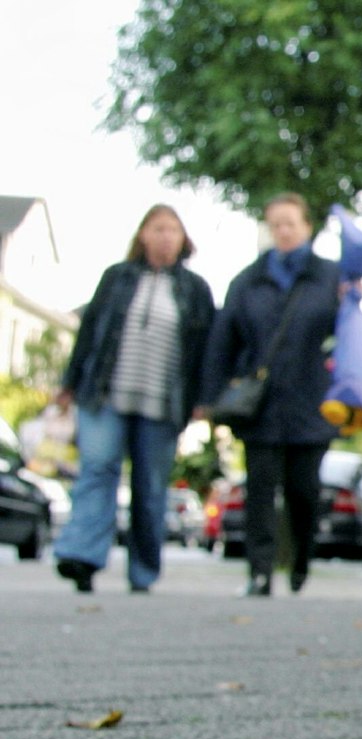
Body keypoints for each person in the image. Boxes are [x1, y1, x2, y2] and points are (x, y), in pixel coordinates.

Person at [51, 204, 215, 593]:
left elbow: (206, 351)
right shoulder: (117, 278)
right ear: (142, 235)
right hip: (105, 394)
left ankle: (142, 572)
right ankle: (82, 557)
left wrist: (203, 399)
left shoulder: (195, 289)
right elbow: (89, 332)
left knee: (150, 486)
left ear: (183, 239)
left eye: (172, 230)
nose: (164, 236)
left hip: (162, 403)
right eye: (157, 228)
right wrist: (69, 382)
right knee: (98, 469)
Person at [199, 192, 340, 596]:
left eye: (290, 223)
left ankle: (301, 559)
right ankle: (259, 572)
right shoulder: (247, 281)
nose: (282, 231)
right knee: (259, 489)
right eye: (275, 223)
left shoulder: (330, 278)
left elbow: (348, 337)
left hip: (312, 402)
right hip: (259, 406)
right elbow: (222, 341)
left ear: (306, 228)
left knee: (303, 490)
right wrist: (212, 397)